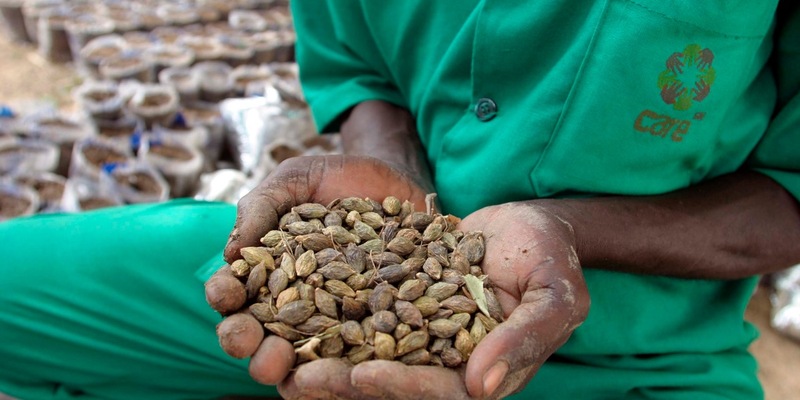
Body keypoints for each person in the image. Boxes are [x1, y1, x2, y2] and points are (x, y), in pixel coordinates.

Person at [2, 1, 800, 399]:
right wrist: (386, 168)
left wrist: (564, 228)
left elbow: (788, 199)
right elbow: (358, 65)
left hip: (643, 355)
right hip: (396, 249)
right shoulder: (355, 276)